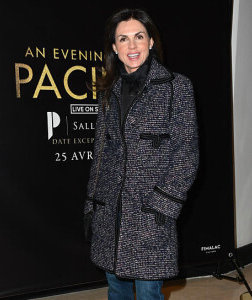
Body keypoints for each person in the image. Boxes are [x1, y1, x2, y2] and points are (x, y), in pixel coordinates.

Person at [84, 7, 199, 300]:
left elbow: (187, 155)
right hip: (111, 211)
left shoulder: (177, 87)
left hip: (150, 214)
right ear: (114, 47)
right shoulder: (108, 90)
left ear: (150, 41)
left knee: (148, 294)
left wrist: (162, 205)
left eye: (138, 37)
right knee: (116, 289)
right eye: (123, 39)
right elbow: (101, 154)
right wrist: (91, 204)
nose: (131, 46)